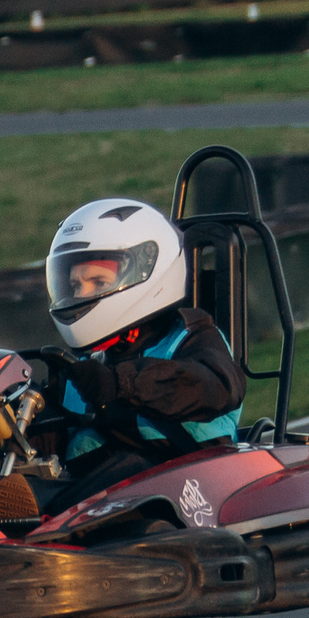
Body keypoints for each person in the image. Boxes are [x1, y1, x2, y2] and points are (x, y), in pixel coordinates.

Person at [32, 198, 246, 508]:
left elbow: (216, 388)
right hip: (103, 507)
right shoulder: (85, 365)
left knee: (130, 466)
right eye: (76, 285)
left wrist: (121, 384)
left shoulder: (191, 338)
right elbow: (49, 439)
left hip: (189, 494)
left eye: (98, 282)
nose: (81, 294)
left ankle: (47, 529)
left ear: (147, 272)